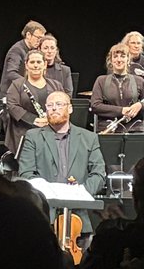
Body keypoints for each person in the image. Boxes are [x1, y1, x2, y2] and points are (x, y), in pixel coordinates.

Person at [18, 90, 107, 237]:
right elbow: (26, 173)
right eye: (49, 105)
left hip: (79, 217)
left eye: (59, 104)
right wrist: (47, 194)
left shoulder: (89, 137)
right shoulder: (33, 137)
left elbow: (98, 173)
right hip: (44, 217)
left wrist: (80, 193)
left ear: (70, 108)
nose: (53, 108)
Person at [3, 48, 65, 159]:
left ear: (45, 64)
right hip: (23, 134)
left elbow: (63, 104)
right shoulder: (17, 85)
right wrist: (35, 120)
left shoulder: (56, 85)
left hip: (51, 132)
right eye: (32, 62)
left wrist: (50, 118)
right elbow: (12, 106)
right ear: (26, 65)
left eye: (39, 62)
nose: (35, 65)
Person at [91, 43, 144, 132]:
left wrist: (140, 105)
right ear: (111, 60)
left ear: (128, 59)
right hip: (108, 130)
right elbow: (95, 106)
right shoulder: (101, 80)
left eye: (123, 56)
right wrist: (121, 110)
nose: (119, 60)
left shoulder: (139, 80)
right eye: (115, 56)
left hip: (134, 129)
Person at [0, 20, 47, 96]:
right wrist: (30, 82)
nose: (39, 41)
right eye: (38, 38)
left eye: (41, 39)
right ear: (28, 35)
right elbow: (11, 73)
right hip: (10, 94)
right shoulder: (17, 50)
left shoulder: (32, 50)